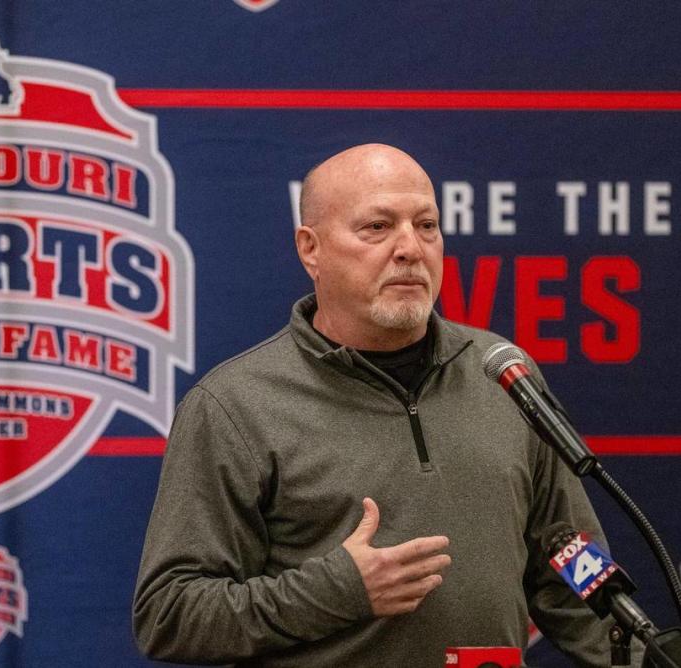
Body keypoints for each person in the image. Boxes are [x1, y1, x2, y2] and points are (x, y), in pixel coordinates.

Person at [133, 144, 619, 666]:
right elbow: (169, 613)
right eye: (377, 228)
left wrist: (636, 643)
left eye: (426, 225)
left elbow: (572, 561)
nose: (410, 247)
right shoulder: (235, 405)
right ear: (310, 248)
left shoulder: (501, 373)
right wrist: (337, 590)